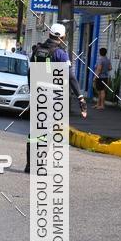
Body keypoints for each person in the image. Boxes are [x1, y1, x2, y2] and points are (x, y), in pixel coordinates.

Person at [25, 22, 87, 173]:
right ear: (63, 37)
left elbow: (29, 72)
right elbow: (71, 77)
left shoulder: (37, 50)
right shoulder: (60, 53)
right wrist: (80, 97)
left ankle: (30, 164)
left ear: (49, 34)